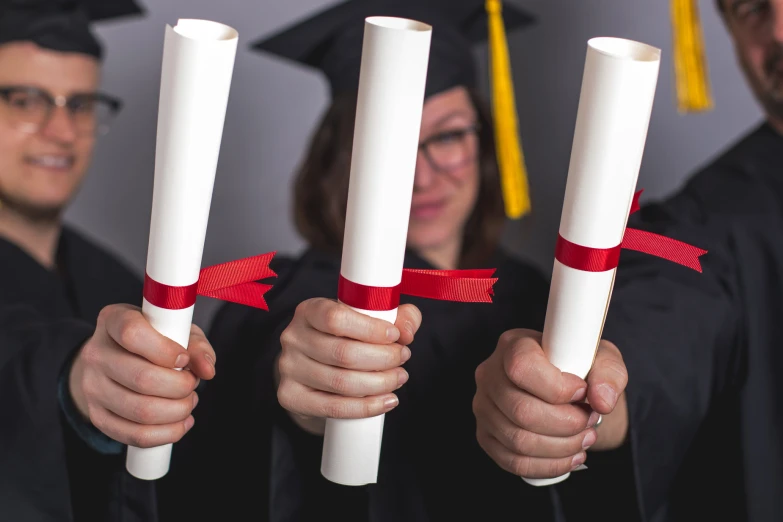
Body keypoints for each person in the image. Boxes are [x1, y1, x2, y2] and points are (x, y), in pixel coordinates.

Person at [158, 1, 629, 521]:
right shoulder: (283, 296)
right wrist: (311, 394)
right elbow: (252, 411)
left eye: (447, 137)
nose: (422, 178)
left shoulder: (528, 292)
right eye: (394, 147)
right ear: (344, 160)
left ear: (486, 142)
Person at [473, 0, 783, 520]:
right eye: (750, 7)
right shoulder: (706, 223)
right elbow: (657, 337)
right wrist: (579, 404)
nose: (777, 30)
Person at [0, 1, 217, 520]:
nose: (61, 131)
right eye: (26, 100)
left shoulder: (117, 279)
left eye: (80, 104)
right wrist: (74, 383)